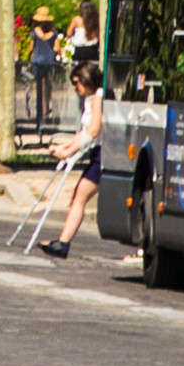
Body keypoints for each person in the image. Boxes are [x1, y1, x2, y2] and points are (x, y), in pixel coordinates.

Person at [37, 61, 107, 259]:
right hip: (96, 153)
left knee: (79, 197)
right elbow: (82, 133)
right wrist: (64, 148)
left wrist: (68, 152)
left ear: (87, 79)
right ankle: (63, 241)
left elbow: (93, 131)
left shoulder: (98, 99)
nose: (75, 87)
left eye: (77, 82)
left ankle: (64, 243)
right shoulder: (90, 99)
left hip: (103, 154)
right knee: (78, 196)